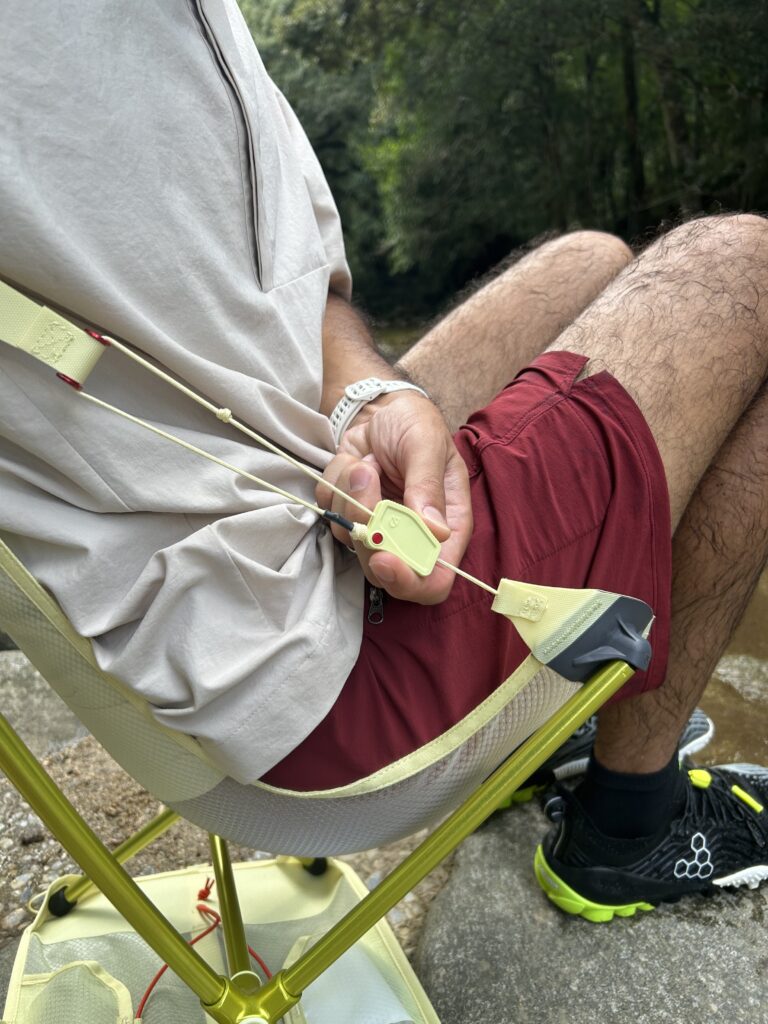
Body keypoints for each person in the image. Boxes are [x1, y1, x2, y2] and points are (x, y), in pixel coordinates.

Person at [0, 1, 766, 921]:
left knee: (585, 260)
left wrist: (370, 395)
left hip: (302, 483)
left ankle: (537, 736)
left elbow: (293, 288)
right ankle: (631, 821)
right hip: (310, 678)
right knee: (745, 269)